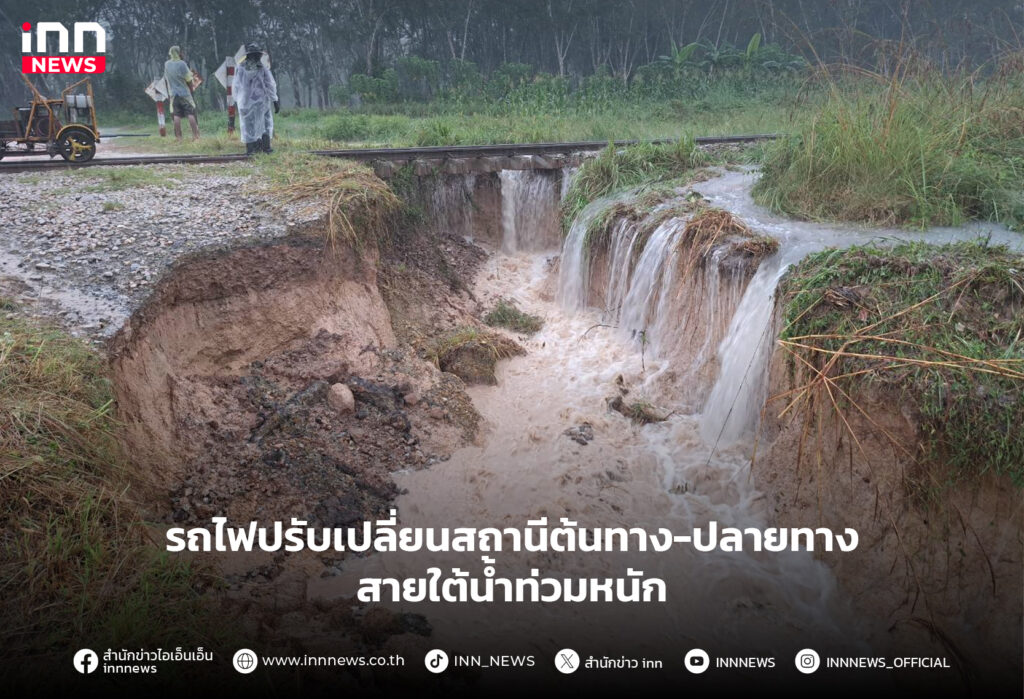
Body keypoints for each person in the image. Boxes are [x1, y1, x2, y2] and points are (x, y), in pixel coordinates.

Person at [233, 43, 279, 154]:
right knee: (265, 124)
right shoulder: (262, 67)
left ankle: (251, 149)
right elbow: (270, 84)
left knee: (248, 125)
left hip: (245, 102)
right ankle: (266, 148)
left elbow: (236, 85)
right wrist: (275, 100)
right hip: (261, 101)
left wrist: (237, 100)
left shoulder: (240, 67)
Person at [164, 45, 200, 141]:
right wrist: (191, 90)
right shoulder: (182, 64)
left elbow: (166, 79)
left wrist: (169, 93)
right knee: (190, 114)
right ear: (179, 53)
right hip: (184, 94)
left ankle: (179, 138)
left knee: (176, 115)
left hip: (173, 94)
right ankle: (195, 136)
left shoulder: (167, 64)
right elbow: (188, 79)